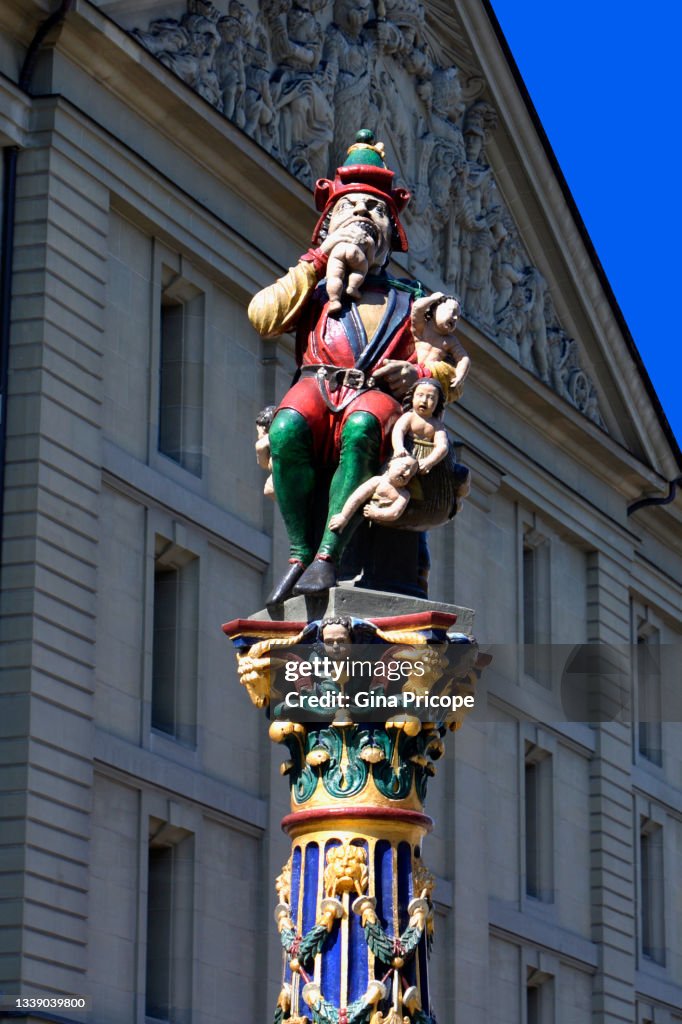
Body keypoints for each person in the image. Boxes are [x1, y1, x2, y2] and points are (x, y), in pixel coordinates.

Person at [248, 131, 457, 602]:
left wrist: (419, 378)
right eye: (351, 208)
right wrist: (318, 259)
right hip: (317, 384)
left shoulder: (412, 302)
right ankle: (300, 554)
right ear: (328, 224)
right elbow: (263, 316)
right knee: (285, 429)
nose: (363, 216)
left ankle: (327, 555)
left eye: (376, 210)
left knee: (364, 428)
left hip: (371, 395)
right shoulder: (313, 289)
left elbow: (440, 369)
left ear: (390, 234)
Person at [328, 453, 419, 531]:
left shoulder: (404, 495)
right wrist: (344, 516)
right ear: (390, 463)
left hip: (387, 529)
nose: (407, 473)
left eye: (411, 474)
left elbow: (395, 512)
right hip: (364, 522)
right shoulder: (377, 481)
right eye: (405, 467)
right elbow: (357, 497)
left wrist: (376, 513)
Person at [391, 380, 449, 475]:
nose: (424, 400)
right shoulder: (409, 417)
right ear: (412, 398)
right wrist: (399, 447)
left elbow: (442, 446)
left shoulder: (437, 425)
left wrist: (430, 461)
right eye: (420, 395)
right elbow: (398, 431)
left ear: (437, 403)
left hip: (426, 464)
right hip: (407, 455)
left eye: (431, 397)